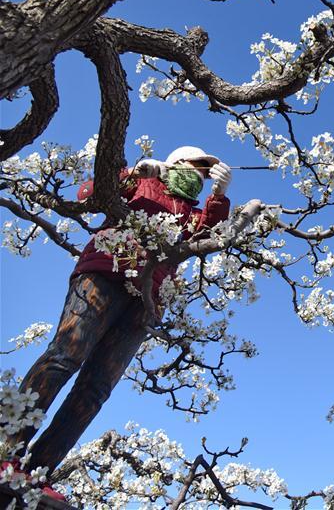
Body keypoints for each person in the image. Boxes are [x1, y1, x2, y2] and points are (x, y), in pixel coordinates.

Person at [6, 146, 232, 500]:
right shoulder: (144, 184)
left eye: (207, 172)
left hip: (145, 301)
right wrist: (133, 175)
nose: (202, 175)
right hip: (105, 274)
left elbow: (208, 238)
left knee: (96, 390)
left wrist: (219, 198)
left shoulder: (192, 214)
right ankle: (6, 448)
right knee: (65, 356)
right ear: (175, 162)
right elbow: (88, 194)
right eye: (199, 167)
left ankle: (37, 473)